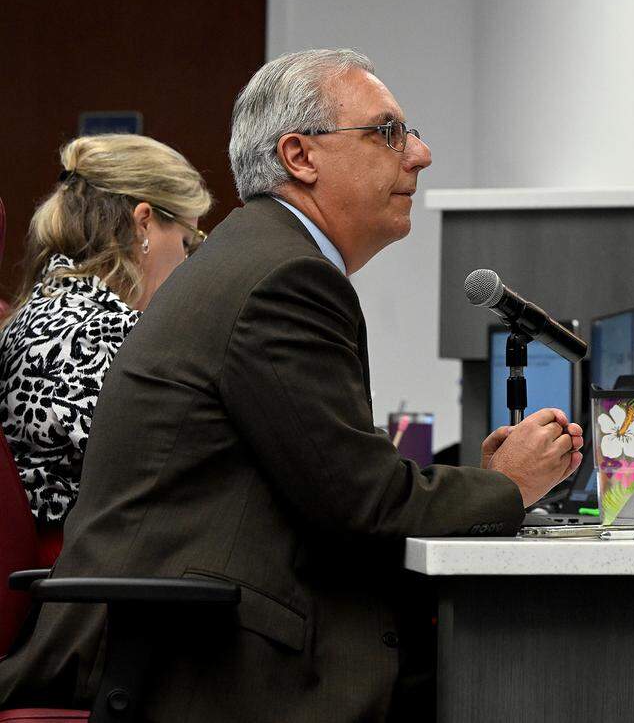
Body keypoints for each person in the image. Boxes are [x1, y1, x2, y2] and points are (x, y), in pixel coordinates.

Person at [0, 49, 583, 721]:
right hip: (200, 660)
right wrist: (510, 485)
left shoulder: (260, 255)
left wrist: (481, 487)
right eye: (388, 132)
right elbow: (362, 504)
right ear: (301, 157)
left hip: (190, 626)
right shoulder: (284, 278)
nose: (419, 154)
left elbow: (338, 484)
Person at [0, 134, 210, 559]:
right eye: (189, 242)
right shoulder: (100, 329)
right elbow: (170, 473)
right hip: (87, 582)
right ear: (144, 222)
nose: (190, 264)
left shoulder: (39, 310)